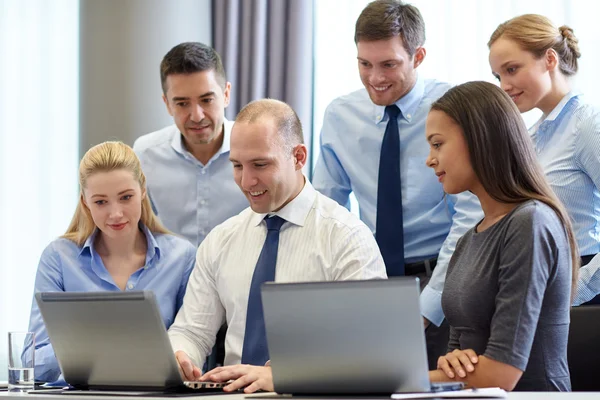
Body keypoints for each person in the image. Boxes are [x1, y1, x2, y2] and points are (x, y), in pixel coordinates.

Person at [168, 99, 387, 393]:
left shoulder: (347, 238)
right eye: (237, 166)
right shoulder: (221, 240)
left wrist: (287, 375)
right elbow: (191, 331)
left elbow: (370, 350)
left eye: (260, 164)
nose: (246, 181)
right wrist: (179, 355)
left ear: (298, 157)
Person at [311, 0, 482, 367]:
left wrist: (427, 305)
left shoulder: (454, 108)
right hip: (369, 283)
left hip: (445, 281)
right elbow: (325, 213)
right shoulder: (339, 115)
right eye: (364, 64)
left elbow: (470, 218)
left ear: (418, 56)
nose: (375, 77)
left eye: (389, 64)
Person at [425, 81, 578, 391]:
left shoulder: (530, 223)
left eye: (438, 144)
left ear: (479, 139)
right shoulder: (469, 239)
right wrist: (448, 365)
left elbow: (500, 376)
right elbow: (457, 359)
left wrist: (396, 380)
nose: (430, 159)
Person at [26, 141, 196, 383]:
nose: (115, 214)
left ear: (143, 190)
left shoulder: (182, 257)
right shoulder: (58, 257)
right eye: (101, 202)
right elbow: (32, 363)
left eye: (126, 197)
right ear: (85, 202)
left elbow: (195, 345)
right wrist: (89, 341)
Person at [488, 14, 600, 306]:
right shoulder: (531, 135)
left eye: (512, 69)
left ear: (549, 59)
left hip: (585, 291)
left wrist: (580, 288)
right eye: (498, 76)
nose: (504, 85)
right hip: (544, 285)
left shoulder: (587, 123)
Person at [133, 42, 247, 247]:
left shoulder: (256, 150)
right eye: (182, 103)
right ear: (167, 104)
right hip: (174, 277)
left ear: (226, 94)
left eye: (206, 100)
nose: (196, 116)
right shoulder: (145, 154)